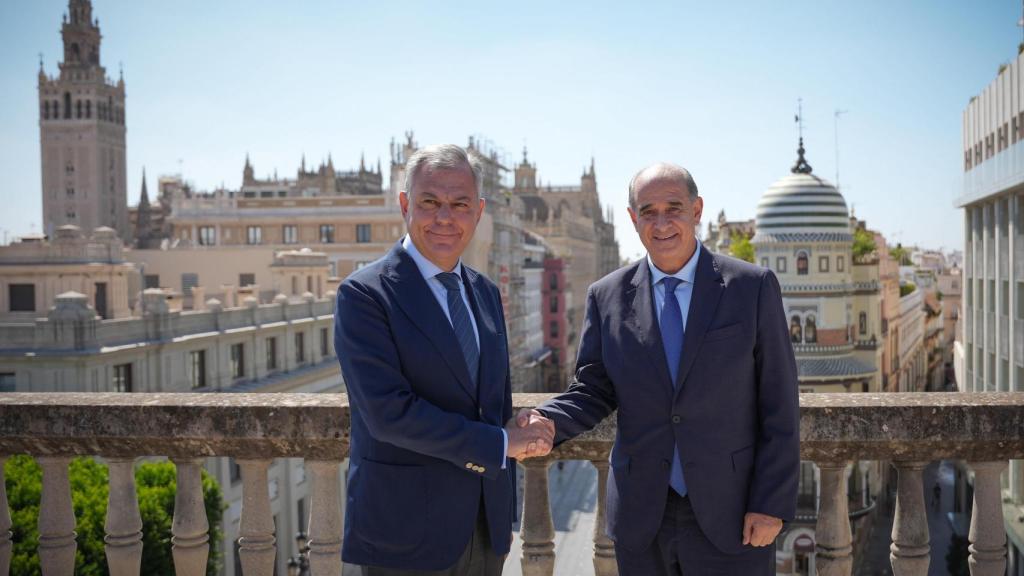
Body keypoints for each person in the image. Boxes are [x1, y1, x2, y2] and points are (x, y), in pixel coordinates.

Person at [521, 163, 800, 575]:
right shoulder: (606, 295)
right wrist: (545, 420)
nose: (662, 222)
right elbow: (593, 388)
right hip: (642, 518)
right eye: (648, 211)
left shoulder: (751, 286)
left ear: (697, 209)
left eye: (674, 207)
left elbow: (779, 401)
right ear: (633, 219)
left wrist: (770, 502)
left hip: (735, 512)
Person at [335, 144, 555, 575]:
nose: (444, 217)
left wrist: (518, 424)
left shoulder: (486, 292)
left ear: (478, 212)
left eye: (459, 204)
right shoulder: (364, 295)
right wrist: (501, 444)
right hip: (405, 533)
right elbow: (387, 414)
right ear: (404, 204)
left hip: (485, 530)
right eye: (430, 202)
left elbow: (487, 401)